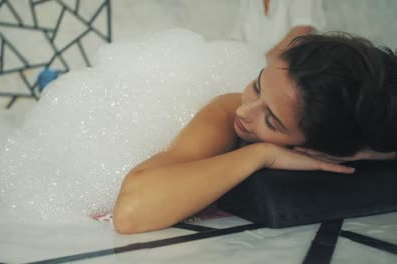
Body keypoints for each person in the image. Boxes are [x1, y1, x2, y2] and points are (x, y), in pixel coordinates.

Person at [113, 32, 397, 234]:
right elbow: (131, 213)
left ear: (311, 148)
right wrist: (262, 153)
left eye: (271, 121)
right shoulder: (227, 111)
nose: (244, 111)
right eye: (257, 85)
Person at [230, 0, 325, 63]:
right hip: (259, 76)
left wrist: (260, 65)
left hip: (296, 76)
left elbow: (302, 30)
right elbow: (237, 39)